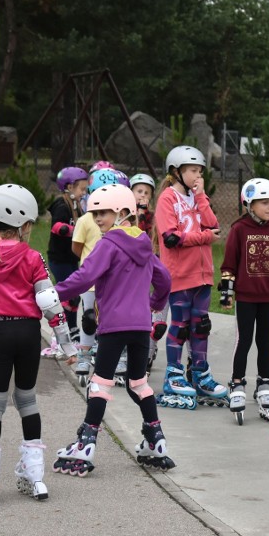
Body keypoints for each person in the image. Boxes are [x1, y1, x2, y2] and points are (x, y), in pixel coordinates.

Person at [0, 184, 77, 506]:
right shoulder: (32, 257)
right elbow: (50, 302)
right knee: (27, 399)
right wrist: (66, 345)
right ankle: (34, 474)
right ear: (25, 226)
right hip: (28, 334)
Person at [52, 184, 175, 476]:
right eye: (94, 214)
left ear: (122, 212)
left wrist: (54, 292)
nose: (97, 219)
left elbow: (85, 277)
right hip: (140, 326)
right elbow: (165, 280)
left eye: (103, 213)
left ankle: (86, 442)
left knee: (101, 383)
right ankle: (156, 438)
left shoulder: (108, 244)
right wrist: (153, 303)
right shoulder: (144, 244)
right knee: (139, 383)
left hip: (114, 326)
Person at [155, 145, 226, 410]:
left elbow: (212, 222)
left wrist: (202, 195)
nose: (197, 175)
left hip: (203, 273)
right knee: (181, 325)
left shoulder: (196, 197)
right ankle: (174, 374)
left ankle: (200, 374)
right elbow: (171, 238)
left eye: (200, 171)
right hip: (180, 273)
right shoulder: (167, 199)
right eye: (192, 171)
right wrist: (205, 237)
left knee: (201, 325)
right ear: (176, 171)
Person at [219, 178, 269, 425]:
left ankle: (264, 383)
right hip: (247, 297)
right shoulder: (239, 229)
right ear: (249, 204)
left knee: (265, 341)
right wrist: (227, 293)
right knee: (244, 340)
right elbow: (229, 263)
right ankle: (237, 383)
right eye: (264, 202)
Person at [69, 165, 126, 386]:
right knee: (89, 321)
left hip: (111, 282)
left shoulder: (117, 223)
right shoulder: (85, 221)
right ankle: (84, 358)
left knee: (111, 321)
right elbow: (76, 247)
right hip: (91, 282)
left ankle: (113, 358)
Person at [41, 166, 88, 358]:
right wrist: (75, 230)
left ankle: (72, 330)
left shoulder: (75, 205)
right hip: (59, 259)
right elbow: (57, 227)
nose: (83, 193)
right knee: (67, 297)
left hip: (70, 258)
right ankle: (60, 336)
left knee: (74, 296)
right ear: (69, 187)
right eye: (81, 189)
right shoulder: (62, 204)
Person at [130, 172, 167, 372]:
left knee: (150, 310)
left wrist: (144, 213)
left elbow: (149, 234)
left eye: (146, 193)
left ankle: (149, 352)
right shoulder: (127, 215)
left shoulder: (151, 216)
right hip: (131, 268)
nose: (142, 195)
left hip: (150, 264)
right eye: (139, 191)